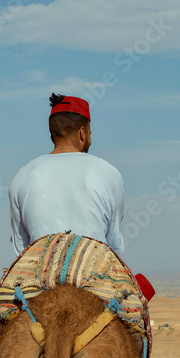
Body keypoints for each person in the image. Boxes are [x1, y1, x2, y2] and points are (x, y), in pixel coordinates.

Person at [8, 93, 125, 256]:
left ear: (52, 136)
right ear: (82, 133)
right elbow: (113, 246)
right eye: (90, 135)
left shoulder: (22, 176)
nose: (90, 141)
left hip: (40, 278)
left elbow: (21, 251)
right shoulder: (109, 173)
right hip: (93, 277)